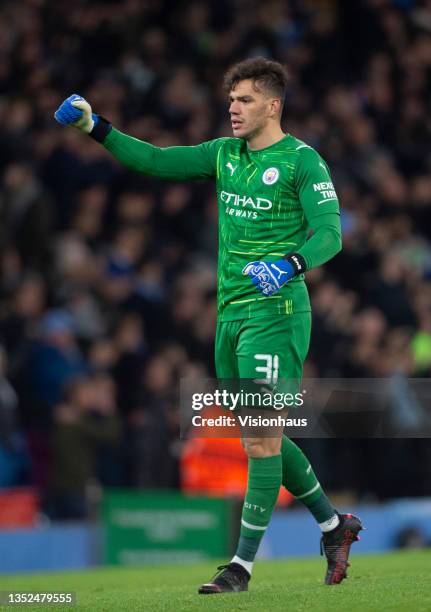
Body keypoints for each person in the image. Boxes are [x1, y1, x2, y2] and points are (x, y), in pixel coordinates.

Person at [54, 57, 363, 592]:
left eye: (244, 100)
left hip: (277, 313)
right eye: (231, 101)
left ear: (273, 105)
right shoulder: (224, 155)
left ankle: (240, 566)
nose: (233, 109)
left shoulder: (302, 162)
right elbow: (153, 160)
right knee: (259, 435)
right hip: (229, 316)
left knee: (262, 439)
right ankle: (336, 525)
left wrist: (289, 264)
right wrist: (95, 127)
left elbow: (330, 233)